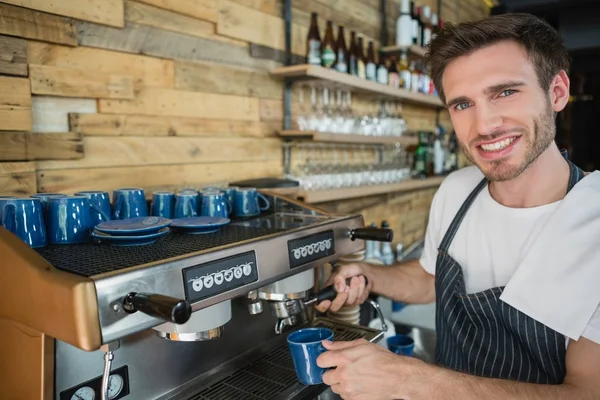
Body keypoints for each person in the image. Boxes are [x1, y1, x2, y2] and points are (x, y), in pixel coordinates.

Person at [315, 13, 600, 400]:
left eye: (505, 92)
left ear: (557, 92)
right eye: (462, 104)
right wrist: (369, 273)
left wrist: (412, 380)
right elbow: (431, 279)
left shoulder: (592, 220)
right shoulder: (458, 190)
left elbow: (587, 392)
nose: (483, 126)